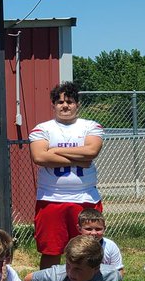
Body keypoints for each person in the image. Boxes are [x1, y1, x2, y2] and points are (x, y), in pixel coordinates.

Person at [29, 82, 104, 267]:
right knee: (51, 251)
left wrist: (53, 151)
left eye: (70, 101)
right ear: (53, 104)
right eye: (60, 101)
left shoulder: (91, 126)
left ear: (77, 104)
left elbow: (92, 152)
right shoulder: (43, 128)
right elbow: (39, 156)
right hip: (51, 197)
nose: (65, 105)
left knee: (88, 251)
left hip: (85, 196)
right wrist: (80, 159)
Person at [77, 207, 124, 278]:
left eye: (98, 229)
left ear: (104, 229)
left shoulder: (110, 246)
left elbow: (118, 270)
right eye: (88, 229)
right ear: (79, 229)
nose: (93, 233)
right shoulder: (75, 246)